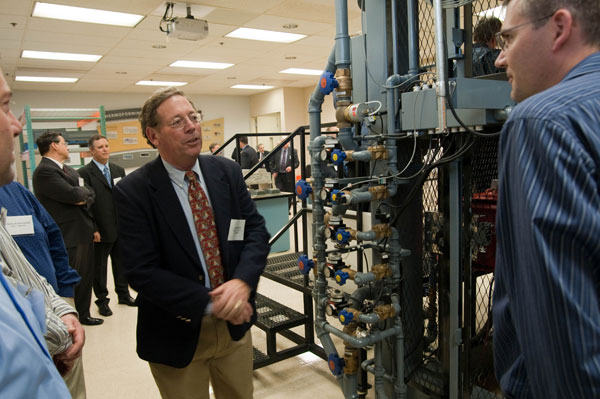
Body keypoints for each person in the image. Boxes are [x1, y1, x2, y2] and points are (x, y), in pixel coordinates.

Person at [113, 87, 270, 398]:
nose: (191, 126)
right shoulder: (134, 191)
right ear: (153, 135)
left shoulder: (226, 171)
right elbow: (140, 271)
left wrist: (241, 282)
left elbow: (254, 230)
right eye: (177, 121)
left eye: (193, 117)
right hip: (176, 331)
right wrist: (213, 302)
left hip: (234, 328)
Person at [492, 0, 600, 398]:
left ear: (559, 27)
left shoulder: (542, 121)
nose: (500, 58)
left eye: (508, 37)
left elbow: (558, 323)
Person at [0, 67, 77, 397]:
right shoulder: (45, 174)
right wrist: (56, 329)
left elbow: (47, 245)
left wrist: (64, 308)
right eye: (4, 108)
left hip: (58, 322)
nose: (16, 126)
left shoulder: (16, 192)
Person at [0, 181, 88, 398]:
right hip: (36, 332)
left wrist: (64, 303)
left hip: (56, 306)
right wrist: (58, 331)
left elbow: (52, 235)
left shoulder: (15, 189)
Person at [32, 132, 102, 326]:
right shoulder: (45, 172)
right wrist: (81, 196)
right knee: (72, 276)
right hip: (67, 234)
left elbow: (88, 193)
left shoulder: (69, 171)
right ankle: (72, 316)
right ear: (54, 146)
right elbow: (73, 195)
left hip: (83, 230)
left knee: (86, 275)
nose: (67, 146)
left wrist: (82, 196)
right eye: (64, 143)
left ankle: (84, 313)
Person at [79, 135, 135, 317]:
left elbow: (123, 197)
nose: (105, 149)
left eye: (106, 146)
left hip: (120, 226)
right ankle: (102, 301)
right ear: (92, 151)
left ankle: (124, 295)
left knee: (121, 263)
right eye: (100, 147)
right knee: (99, 268)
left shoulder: (118, 170)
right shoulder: (84, 173)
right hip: (100, 229)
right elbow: (86, 204)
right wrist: (93, 227)